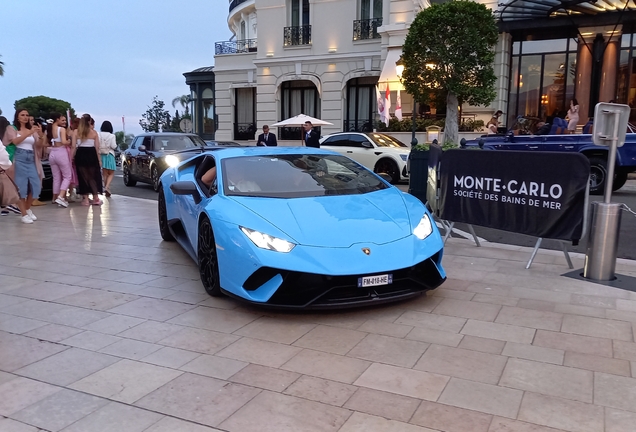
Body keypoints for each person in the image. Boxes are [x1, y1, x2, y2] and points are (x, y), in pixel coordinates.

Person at [11, 109, 46, 223]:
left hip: (30, 158)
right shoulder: (13, 129)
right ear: (17, 117)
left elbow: (39, 145)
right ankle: (24, 214)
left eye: (27, 115)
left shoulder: (31, 130)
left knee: (36, 185)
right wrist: (29, 133)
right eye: (22, 115)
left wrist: (40, 135)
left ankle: (27, 208)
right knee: (21, 187)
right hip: (19, 158)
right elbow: (15, 141)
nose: (25, 117)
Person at [73, 114, 103, 206]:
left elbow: (73, 146)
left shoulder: (76, 132)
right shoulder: (94, 133)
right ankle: (96, 197)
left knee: (82, 177)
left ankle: (85, 199)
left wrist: (71, 157)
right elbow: (97, 148)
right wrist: (99, 160)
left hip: (81, 154)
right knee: (93, 177)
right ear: (90, 122)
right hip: (91, 154)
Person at [47, 113, 73, 208]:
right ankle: (61, 196)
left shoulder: (49, 129)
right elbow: (64, 142)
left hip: (52, 153)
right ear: (57, 119)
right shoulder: (61, 129)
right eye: (62, 119)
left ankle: (55, 197)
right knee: (67, 176)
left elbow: (46, 142)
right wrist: (69, 141)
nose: (64, 121)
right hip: (61, 152)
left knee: (56, 177)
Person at [98, 121, 117, 197]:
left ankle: (107, 188)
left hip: (101, 155)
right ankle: (107, 187)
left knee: (105, 173)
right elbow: (113, 146)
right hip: (109, 154)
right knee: (111, 173)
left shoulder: (99, 134)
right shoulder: (112, 136)